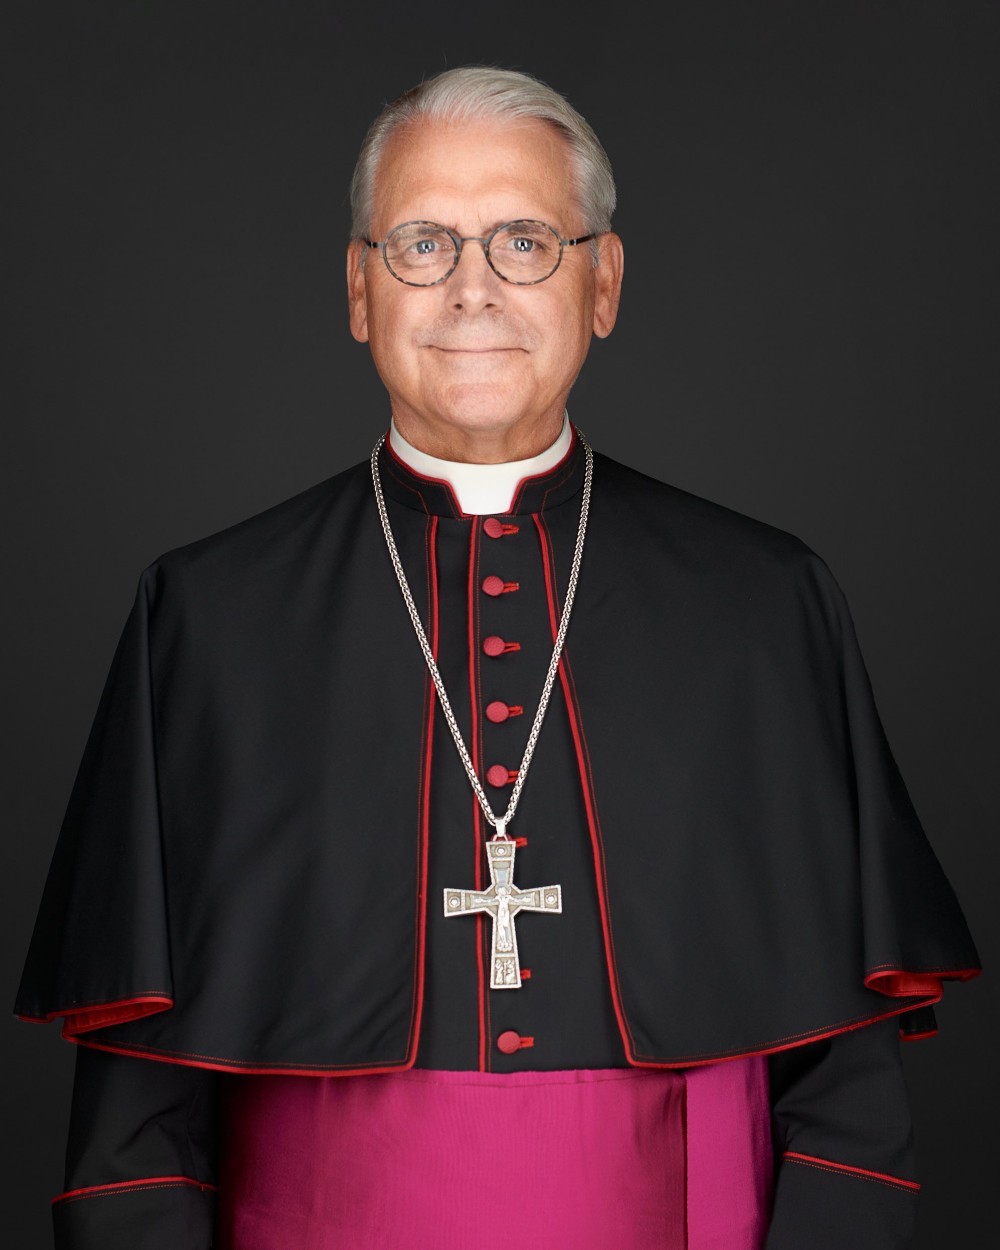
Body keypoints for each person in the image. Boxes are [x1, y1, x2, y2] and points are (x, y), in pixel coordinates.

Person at [16, 66, 980, 1250]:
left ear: (604, 282)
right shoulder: (206, 616)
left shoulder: (762, 601)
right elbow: (132, 1131)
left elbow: (848, 1101)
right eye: (422, 243)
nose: (473, 288)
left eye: (524, 239)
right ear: (360, 290)